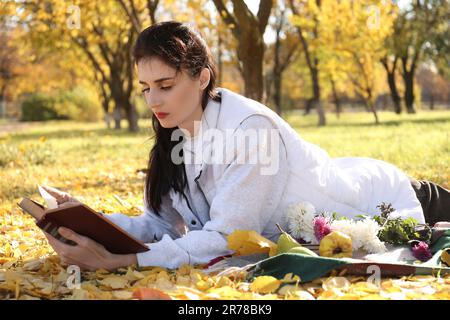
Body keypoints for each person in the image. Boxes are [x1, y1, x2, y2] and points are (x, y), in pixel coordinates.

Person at [42, 21, 450, 271]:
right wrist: (84, 219)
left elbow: (226, 238)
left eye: (165, 86)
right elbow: (161, 226)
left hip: (382, 201)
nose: (152, 101)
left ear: (202, 78)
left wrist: (125, 261)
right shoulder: (177, 136)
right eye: (145, 88)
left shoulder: (250, 130)